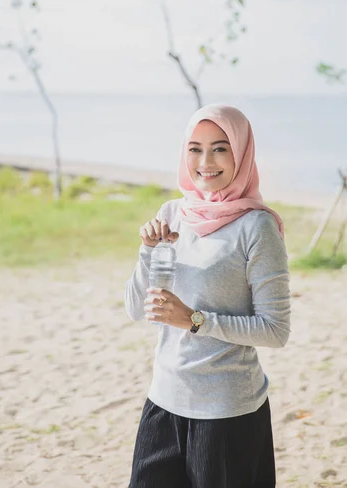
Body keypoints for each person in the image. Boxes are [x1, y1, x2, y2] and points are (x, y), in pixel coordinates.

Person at [124, 104, 291, 488]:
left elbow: (275, 330)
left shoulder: (257, 227)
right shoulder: (172, 212)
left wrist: (195, 320)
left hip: (227, 413)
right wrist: (147, 251)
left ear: (241, 153)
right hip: (163, 402)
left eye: (220, 148)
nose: (206, 161)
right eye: (195, 149)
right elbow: (136, 308)